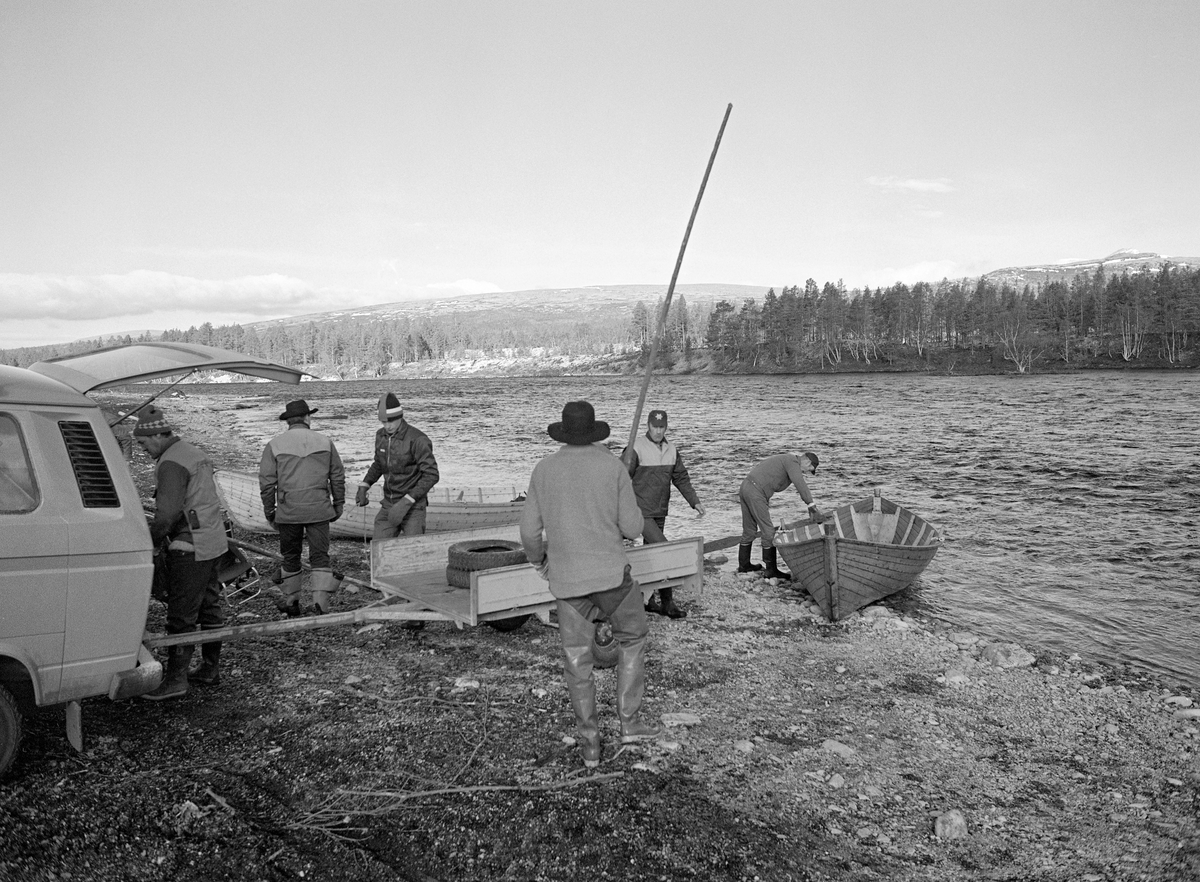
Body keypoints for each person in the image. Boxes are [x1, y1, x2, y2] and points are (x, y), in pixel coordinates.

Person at [520, 400, 664, 769]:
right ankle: (629, 724)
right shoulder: (612, 467)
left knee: (576, 660)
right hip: (611, 579)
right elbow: (633, 528)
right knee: (632, 637)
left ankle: (590, 747)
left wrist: (540, 562)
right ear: (595, 431)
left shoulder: (544, 469)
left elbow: (529, 532)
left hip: (567, 582)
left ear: (564, 432)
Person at [135, 405, 228, 700]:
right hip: (213, 540)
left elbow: (166, 516)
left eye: (143, 443)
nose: (143, 449)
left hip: (189, 545)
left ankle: (176, 681)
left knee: (181, 616)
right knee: (210, 607)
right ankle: (210, 669)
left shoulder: (171, 462)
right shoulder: (193, 452)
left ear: (157, 435)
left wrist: (148, 540)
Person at [259, 399, 346, 616]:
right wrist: (338, 504)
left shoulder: (275, 444)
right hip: (319, 509)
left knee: (290, 555)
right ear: (308, 418)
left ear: (288, 421)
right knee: (320, 556)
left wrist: (270, 511)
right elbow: (337, 476)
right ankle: (320, 606)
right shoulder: (325, 442)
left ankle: (292, 602)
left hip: (289, 511)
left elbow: (267, 483)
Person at [621, 408, 705, 619]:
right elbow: (620, 479)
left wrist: (694, 502)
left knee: (650, 554)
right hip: (641, 512)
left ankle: (648, 600)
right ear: (648, 426)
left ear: (666, 427)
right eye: (654, 427)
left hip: (660, 511)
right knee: (664, 550)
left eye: (661, 427)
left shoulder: (672, 449)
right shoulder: (636, 448)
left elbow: (681, 478)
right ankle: (668, 603)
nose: (658, 431)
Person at [355, 392, 439, 540]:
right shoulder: (380, 436)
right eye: (383, 422)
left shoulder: (418, 439)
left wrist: (408, 500)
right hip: (389, 503)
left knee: (412, 550)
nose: (387, 426)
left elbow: (432, 475)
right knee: (379, 548)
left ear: (400, 416)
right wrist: (364, 484)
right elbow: (378, 464)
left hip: (413, 507)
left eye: (391, 421)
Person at [738, 451, 825, 580]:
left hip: (746, 487)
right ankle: (771, 570)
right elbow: (800, 484)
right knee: (768, 532)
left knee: (749, 530)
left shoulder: (786, 460)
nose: (807, 472)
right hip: (756, 492)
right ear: (807, 461)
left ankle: (744, 565)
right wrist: (811, 505)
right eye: (809, 469)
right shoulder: (793, 463)